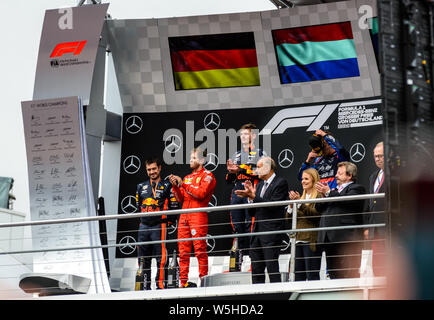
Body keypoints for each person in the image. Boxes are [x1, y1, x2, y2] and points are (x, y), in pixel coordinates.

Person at [235, 156, 288, 284]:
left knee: (272, 269)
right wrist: (250, 198)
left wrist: (253, 196)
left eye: (259, 167)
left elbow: (273, 206)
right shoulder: (258, 186)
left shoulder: (280, 182)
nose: (256, 170)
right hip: (257, 234)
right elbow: (253, 212)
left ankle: (277, 295)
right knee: (257, 272)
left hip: (271, 234)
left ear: (268, 168)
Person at [169, 147, 216, 287]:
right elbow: (179, 199)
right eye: (190, 158)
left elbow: (201, 194)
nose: (191, 160)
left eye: (194, 158)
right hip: (184, 216)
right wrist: (176, 186)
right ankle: (183, 283)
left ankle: (204, 282)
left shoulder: (208, 175)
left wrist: (182, 184)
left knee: (200, 250)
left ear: (202, 160)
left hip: (198, 216)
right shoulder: (187, 177)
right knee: (183, 252)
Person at [315, 161, 366, 279]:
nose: (336, 176)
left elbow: (348, 201)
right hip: (330, 238)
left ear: (349, 176)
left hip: (346, 239)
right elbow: (318, 208)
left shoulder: (357, 188)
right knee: (334, 274)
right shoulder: (333, 191)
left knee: (349, 274)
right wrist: (324, 196)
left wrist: (328, 193)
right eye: (337, 173)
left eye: (340, 173)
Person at [135, 157, 178, 290]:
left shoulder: (167, 185)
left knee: (162, 258)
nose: (152, 172)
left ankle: (161, 286)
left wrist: (169, 221)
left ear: (159, 168)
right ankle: (144, 287)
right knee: (142, 258)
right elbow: (138, 206)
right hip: (144, 226)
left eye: (154, 168)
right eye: (149, 169)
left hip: (160, 225)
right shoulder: (140, 186)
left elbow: (174, 206)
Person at [226, 123, 266, 259]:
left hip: (251, 191)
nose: (243, 136)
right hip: (237, 192)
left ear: (253, 135)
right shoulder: (236, 155)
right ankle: (237, 260)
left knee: (251, 226)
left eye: (246, 134)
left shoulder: (260, 153)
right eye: (241, 134)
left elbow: (262, 172)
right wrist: (231, 173)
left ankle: (253, 259)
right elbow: (229, 180)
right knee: (237, 227)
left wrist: (241, 169)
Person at [287, 168, 323, 281]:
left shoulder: (319, 197)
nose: (303, 181)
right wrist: (292, 206)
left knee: (312, 275)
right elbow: (289, 220)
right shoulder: (301, 198)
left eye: (306, 179)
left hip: (311, 241)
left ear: (314, 180)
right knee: (298, 276)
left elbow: (315, 215)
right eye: (302, 179)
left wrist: (299, 204)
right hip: (297, 242)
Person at [363, 141, 386, 276]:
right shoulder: (373, 176)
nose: (378, 159)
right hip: (374, 229)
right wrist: (368, 226)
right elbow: (371, 203)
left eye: (381, 156)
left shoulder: (397, 174)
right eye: (376, 156)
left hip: (390, 227)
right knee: (377, 266)